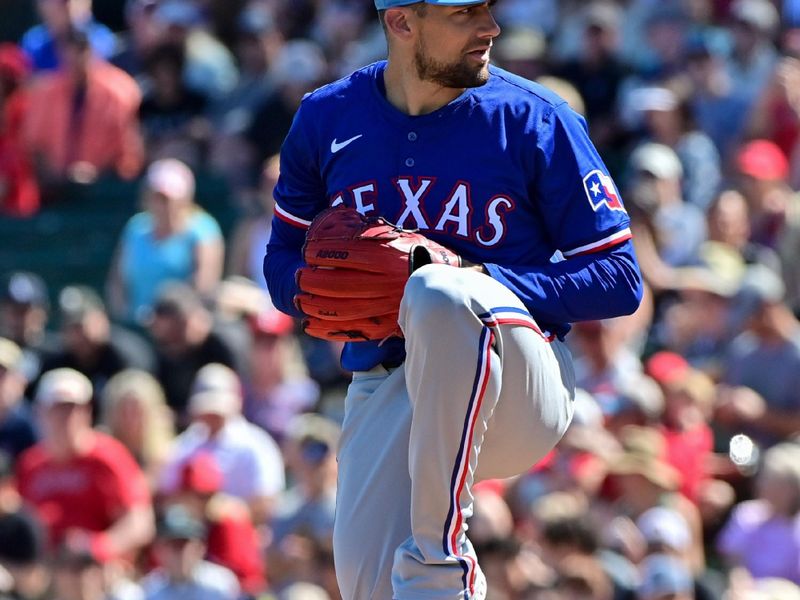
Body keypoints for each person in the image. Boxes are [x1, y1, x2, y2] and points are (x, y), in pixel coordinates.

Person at [263, 1, 643, 597]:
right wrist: (319, 294)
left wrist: (477, 273)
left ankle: (440, 565)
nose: (490, 28)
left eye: (488, 10)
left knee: (440, 290)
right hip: (393, 380)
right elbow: (282, 260)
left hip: (517, 377)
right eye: (465, 13)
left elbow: (620, 277)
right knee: (366, 582)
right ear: (402, 22)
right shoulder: (327, 117)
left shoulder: (534, 118)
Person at [15, 368, 155, 562]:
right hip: (46, 569)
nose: (66, 418)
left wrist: (96, 547)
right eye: (57, 409)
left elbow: (140, 523)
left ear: (87, 412)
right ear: (40, 412)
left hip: (98, 570)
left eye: (73, 409)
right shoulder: (31, 463)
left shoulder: (108, 456)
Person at [107, 158, 224, 326]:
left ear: (185, 198)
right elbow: (117, 281)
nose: (163, 205)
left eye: (168, 199)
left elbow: (204, 284)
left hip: (182, 328)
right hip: (138, 324)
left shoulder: (203, 229)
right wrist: (126, 317)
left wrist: (169, 320)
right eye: (157, 198)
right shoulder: (135, 228)